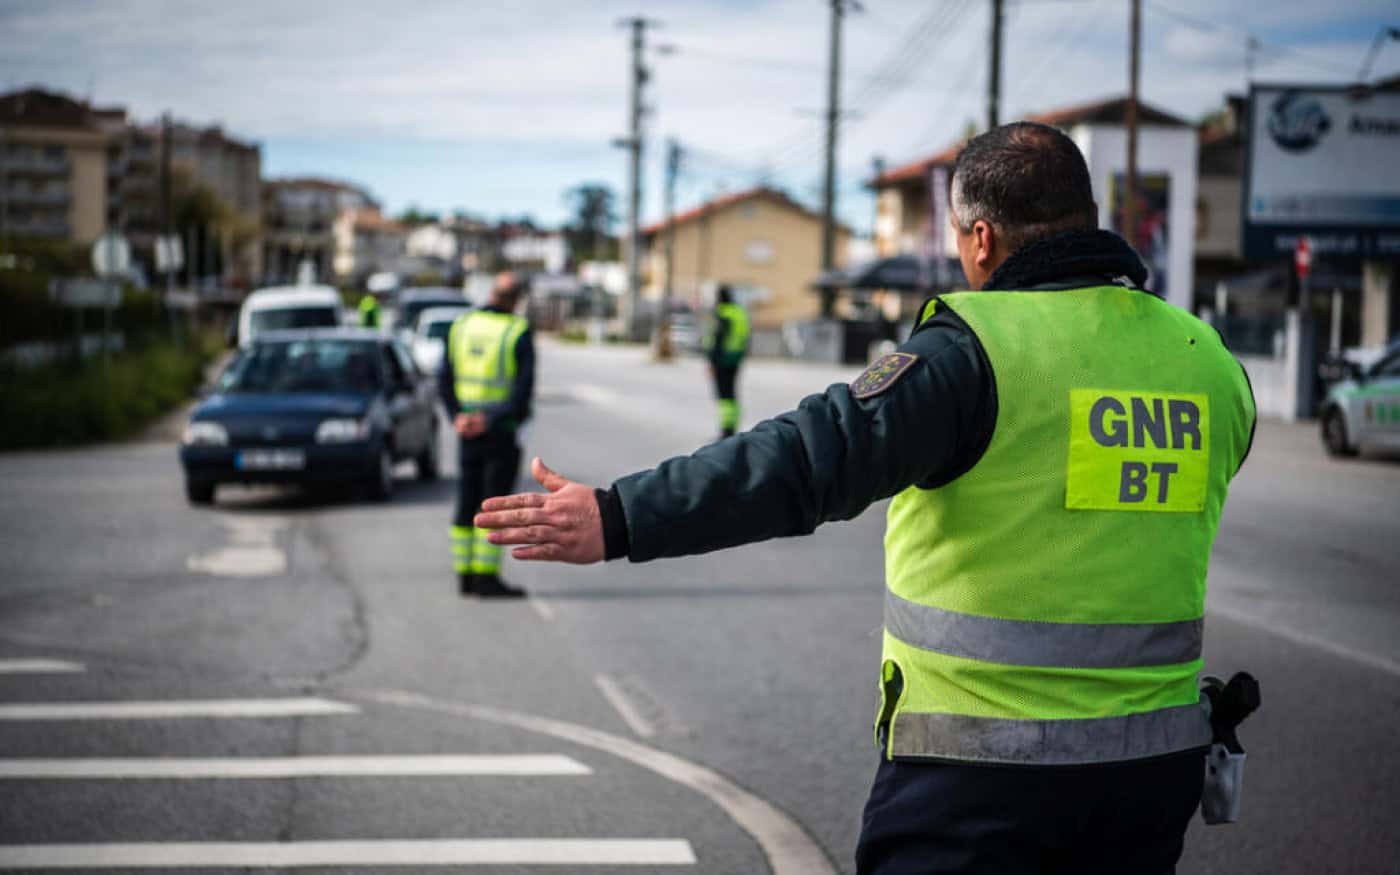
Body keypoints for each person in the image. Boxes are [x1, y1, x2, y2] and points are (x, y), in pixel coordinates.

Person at [474, 123, 1257, 873]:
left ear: (980, 238)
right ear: (1086, 218)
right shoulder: (1207, 362)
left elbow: (803, 460)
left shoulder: (974, 353)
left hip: (978, 774)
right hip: (1149, 778)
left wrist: (618, 515)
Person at [439, 272, 534, 599]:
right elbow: (521, 393)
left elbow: (444, 378)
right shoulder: (517, 331)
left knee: (466, 501)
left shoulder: (462, 326)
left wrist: (458, 417)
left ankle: (464, 576)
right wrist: (489, 419)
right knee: (493, 506)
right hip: (500, 434)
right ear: (515, 299)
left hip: (467, 432)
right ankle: (486, 578)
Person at [705, 285, 750, 438]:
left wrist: (711, 362)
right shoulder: (739, 313)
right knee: (732, 394)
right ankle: (732, 428)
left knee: (724, 397)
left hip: (721, 361)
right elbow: (744, 339)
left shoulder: (722, 313)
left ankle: (726, 431)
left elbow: (718, 340)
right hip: (735, 359)